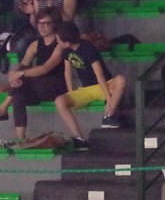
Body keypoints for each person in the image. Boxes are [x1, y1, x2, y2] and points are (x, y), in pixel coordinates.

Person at [0, 10, 68, 140]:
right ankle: (20, 138)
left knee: (22, 82)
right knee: (18, 94)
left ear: (54, 24)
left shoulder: (60, 44)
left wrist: (20, 74)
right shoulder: (35, 44)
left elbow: (46, 68)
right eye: (39, 23)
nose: (42, 27)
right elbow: (24, 63)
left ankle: (2, 108)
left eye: (46, 23)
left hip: (56, 85)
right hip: (38, 86)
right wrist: (15, 76)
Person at [54, 21, 126, 150]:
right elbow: (67, 72)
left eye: (58, 40)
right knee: (59, 101)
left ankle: (109, 115)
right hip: (86, 90)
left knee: (121, 79)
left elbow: (100, 75)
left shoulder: (87, 47)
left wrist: (109, 100)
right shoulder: (66, 51)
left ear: (67, 42)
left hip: (103, 85)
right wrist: (70, 92)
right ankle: (79, 138)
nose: (57, 42)